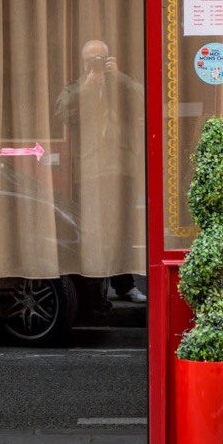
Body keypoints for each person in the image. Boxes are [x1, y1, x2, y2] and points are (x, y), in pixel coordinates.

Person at [53, 39, 148, 303]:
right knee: (92, 231)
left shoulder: (122, 85)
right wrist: (86, 89)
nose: (94, 64)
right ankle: (95, 290)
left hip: (122, 167)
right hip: (90, 169)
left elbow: (145, 101)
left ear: (109, 59)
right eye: (90, 60)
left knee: (123, 229)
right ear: (83, 62)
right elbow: (62, 113)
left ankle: (125, 284)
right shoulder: (74, 88)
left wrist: (119, 79)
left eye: (100, 59)